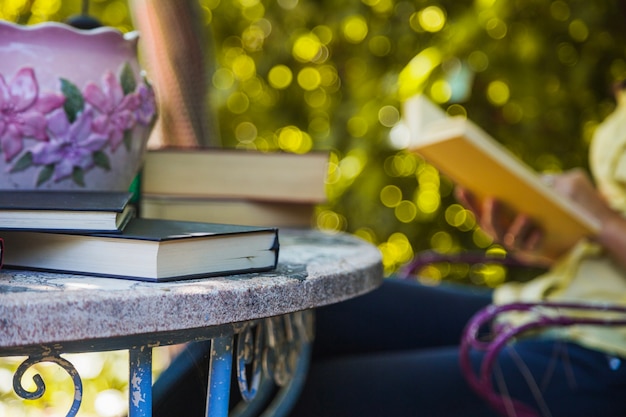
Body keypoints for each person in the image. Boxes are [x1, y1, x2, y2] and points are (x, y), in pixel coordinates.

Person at [285, 90, 626, 417]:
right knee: (306, 308)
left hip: (603, 347)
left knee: (313, 395)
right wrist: (546, 236)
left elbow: (611, 227)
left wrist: (607, 222)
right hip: (543, 305)